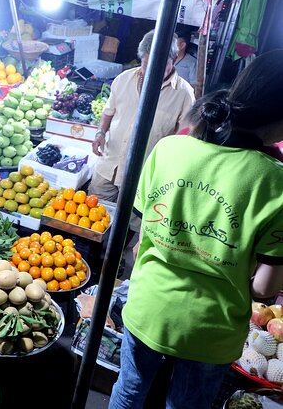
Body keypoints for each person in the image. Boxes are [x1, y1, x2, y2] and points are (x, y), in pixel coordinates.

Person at [108, 50, 283, 409]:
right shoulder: (275, 180)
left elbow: (139, 235)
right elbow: (265, 289)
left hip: (148, 307)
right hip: (211, 330)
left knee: (129, 392)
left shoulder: (168, 149)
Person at [90, 30, 195, 204]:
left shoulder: (184, 94)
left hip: (144, 179)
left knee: (134, 226)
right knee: (92, 218)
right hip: (108, 166)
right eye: (147, 64)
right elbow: (109, 111)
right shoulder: (123, 79)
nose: (152, 71)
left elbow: (184, 137)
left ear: (174, 60)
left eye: (160, 66)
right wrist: (100, 132)